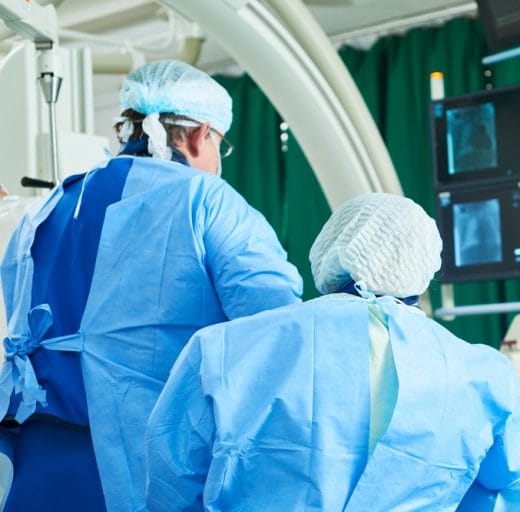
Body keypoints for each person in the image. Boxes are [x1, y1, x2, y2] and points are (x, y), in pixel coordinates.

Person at [0, 60, 303, 512]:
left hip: (37, 458)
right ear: (202, 135)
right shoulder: (206, 200)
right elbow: (278, 332)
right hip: (146, 466)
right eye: (220, 145)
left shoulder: (51, 204)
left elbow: (17, 313)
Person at [145, 192, 520, 511]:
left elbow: (171, 484)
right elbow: (508, 468)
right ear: (424, 266)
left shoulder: (222, 348)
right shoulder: (480, 370)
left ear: (329, 249)